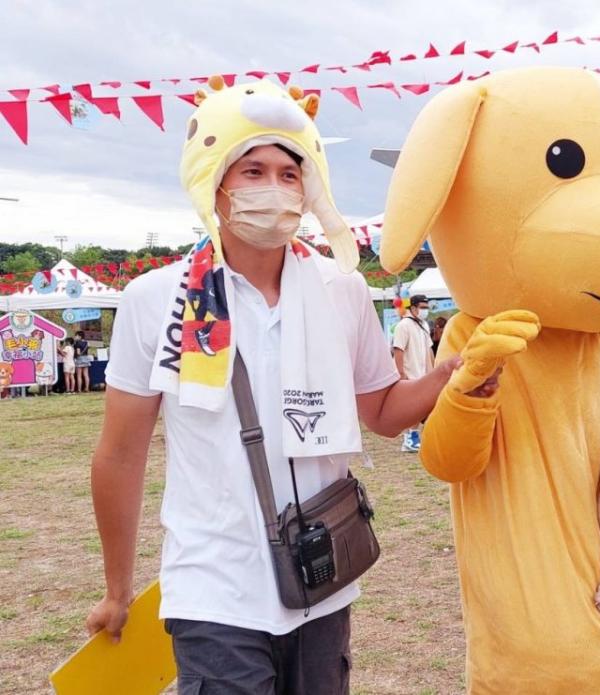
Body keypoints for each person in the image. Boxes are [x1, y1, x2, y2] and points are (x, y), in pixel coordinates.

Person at [84, 78, 461, 695]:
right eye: (253, 169)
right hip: (212, 588)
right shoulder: (157, 300)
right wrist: (117, 589)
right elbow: (119, 454)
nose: (275, 188)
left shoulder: (342, 291)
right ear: (217, 182)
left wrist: (449, 372)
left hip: (322, 576)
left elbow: (386, 414)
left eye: (291, 173)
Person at [392, 294, 435, 452]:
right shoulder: (404, 326)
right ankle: (409, 438)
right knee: (414, 409)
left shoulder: (423, 325)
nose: (425, 311)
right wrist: (401, 374)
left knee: (423, 408)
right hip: (410, 373)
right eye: (422, 307)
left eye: (426, 307)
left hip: (423, 373)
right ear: (413, 308)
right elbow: (398, 349)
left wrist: (433, 369)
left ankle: (415, 437)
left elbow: (428, 349)